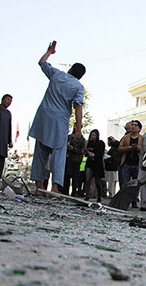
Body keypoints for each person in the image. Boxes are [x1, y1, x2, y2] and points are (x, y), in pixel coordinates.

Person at [29, 40, 85, 196]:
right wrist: (78, 128)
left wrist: (49, 52)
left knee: (40, 153)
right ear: (81, 76)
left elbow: (41, 63)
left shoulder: (57, 74)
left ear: (71, 69)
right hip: (59, 122)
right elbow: (78, 107)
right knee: (58, 155)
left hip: (43, 117)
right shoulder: (78, 87)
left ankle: (39, 187)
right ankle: (54, 187)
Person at [118, 120, 142, 208]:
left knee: (136, 184)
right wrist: (128, 148)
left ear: (139, 128)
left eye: (135, 125)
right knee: (125, 183)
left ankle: (134, 201)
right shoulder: (126, 137)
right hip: (126, 163)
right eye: (132, 125)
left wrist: (137, 147)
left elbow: (144, 149)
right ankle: (124, 201)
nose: (133, 127)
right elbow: (120, 148)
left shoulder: (141, 138)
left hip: (137, 163)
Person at [62, 126, 87, 196]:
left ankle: (74, 192)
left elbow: (83, 151)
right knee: (66, 177)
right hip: (68, 159)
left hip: (76, 160)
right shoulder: (69, 137)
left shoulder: (82, 140)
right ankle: (65, 191)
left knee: (75, 178)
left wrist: (73, 148)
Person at [84, 129, 105, 202]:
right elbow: (86, 153)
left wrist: (94, 155)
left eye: (94, 135)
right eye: (92, 135)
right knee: (87, 179)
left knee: (97, 181)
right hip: (90, 163)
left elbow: (101, 154)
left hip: (97, 164)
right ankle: (87, 195)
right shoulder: (89, 143)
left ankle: (99, 196)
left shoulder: (100, 143)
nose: (93, 137)